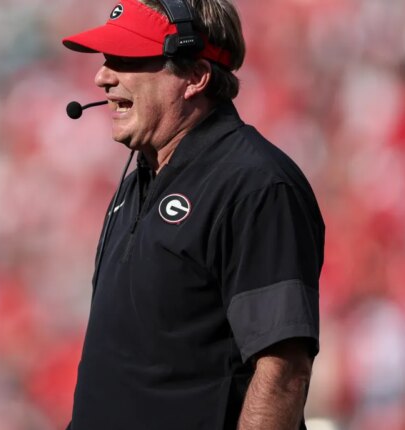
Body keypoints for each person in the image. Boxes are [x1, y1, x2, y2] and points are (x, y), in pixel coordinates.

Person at [60, 0, 325, 429]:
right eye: (108, 59)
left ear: (196, 77)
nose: (102, 77)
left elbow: (283, 371)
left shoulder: (255, 185)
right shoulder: (139, 180)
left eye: (127, 59)